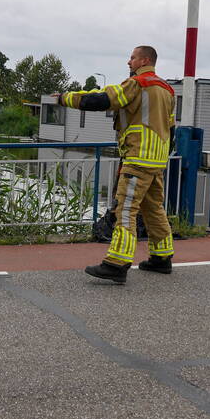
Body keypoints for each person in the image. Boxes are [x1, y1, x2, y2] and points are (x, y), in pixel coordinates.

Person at [57, 45, 176, 283]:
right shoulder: (167, 90)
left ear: (144, 60)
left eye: (132, 57)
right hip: (157, 159)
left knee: (125, 210)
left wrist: (64, 98)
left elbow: (102, 100)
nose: (128, 61)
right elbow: (171, 128)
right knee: (153, 209)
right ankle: (161, 258)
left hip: (138, 157)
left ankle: (117, 263)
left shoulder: (137, 84)